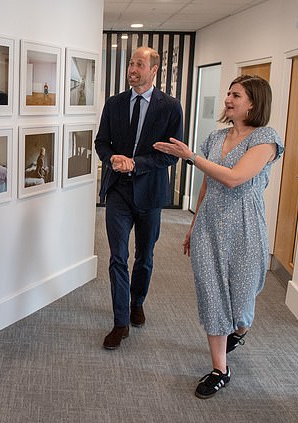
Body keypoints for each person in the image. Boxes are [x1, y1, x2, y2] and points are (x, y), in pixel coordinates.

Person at [153, 74, 283, 399]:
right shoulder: (214, 137)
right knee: (212, 297)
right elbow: (209, 185)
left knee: (241, 302)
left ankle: (239, 331)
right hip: (209, 226)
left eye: (235, 95)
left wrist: (191, 157)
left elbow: (236, 179)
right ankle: (219, 369)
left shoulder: (265, 138)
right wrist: (193, 226)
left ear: (253, 102)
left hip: (245, 226)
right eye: (228, 94)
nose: (228, 99)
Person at [94, 46, 183, 350]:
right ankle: (120, 322)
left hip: (150, 193)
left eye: (139, 64)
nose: (133, 69)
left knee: (145, 257)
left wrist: (138, 163)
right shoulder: (114, 104)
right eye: (131, 63)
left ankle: (137, 302)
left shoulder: (170, 107)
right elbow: (101, 142)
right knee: (118, 257)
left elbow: (172, 155)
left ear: (154, 69)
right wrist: (113, 158)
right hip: (118, 191)